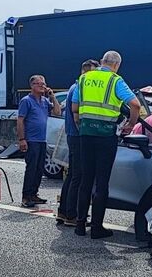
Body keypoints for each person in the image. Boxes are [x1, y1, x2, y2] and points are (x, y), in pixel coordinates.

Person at [71, 50, 141, 239]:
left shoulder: (84, 78)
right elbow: (135, 105)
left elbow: (74, 106)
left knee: (86, 180)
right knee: (101, 182)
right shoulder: (115, 80)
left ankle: (79, 225)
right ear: (117, 65)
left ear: (102, 61)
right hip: (105, 136)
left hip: (86, 134)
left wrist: (80, 124)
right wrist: (131, 125)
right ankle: (96, 228)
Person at [57, 59, 99, 226]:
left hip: (73, 136)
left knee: (73, 175)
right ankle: (72, 214)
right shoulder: (81, 88)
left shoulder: (73, 87)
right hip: (78, 136)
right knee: (78, 177)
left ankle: (64, 211)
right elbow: (78, 116)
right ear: (87, 72)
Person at [17, 74, 62, 207]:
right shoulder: (26, 101)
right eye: (39, 84)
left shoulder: (44, 101)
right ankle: (26, 196)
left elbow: (57, 112)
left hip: (42, 139)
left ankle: (34, 194)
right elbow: (20, 121)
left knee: (39, 168)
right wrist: (22, 139)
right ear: (32, 86)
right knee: (31, 168)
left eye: (43, 83)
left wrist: (52, 96)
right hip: (31, 139)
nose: (42, 86)